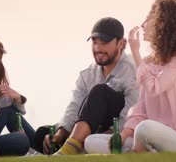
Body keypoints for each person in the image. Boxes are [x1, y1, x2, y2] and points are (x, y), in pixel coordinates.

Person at [85, 0, 176, 154]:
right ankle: (140, 154)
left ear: (163, 25)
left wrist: (135, 52)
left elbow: (155, 87)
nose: (142, 25)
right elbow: (142, 108)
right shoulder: (148, 62)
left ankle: (138, 153)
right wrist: (124, 134)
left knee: (144, 128)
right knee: (91, 141)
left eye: (149, 20)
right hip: (147, 138)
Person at [35, 17, 139, 155]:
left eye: (104, 43)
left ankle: (66, 151)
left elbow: (133, 111)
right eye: (94, 43)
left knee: (99, 90)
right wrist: (61, 132)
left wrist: (109, 134)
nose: (98, 48)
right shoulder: (87, 74)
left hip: (117, 130)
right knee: (43, 133)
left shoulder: (132, 69)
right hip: (90, 127)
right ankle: (65, 148)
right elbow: (75, 105)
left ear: (121, 43)